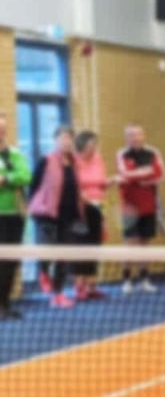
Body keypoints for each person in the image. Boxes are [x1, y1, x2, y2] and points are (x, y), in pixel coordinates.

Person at [29, 126, 85, 309]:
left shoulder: (75, 162)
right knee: (47, 251)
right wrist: (35, 206)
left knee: (63, 257)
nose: (66, 141)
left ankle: (58, 294)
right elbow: (34, 185)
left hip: (68, 216)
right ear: (55, 140)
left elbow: (76, 188)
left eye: (69, 138)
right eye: (62, 138)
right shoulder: (46, 161)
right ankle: (43, 272)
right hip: (47, 214)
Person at [117, 124, 165, 294]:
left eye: (138, 134)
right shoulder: (122, 154)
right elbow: (125, 175)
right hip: (129, 208)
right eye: (131, 135)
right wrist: (147, 171)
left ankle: (144, 279)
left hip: (149, 206)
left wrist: (139, 175)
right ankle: (127, 280)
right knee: (130, 244)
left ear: (143, 136)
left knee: (145, 244)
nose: (135, 138)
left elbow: (160, 175)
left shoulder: (153, 153)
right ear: (126, 138)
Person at [73, 130, 117, 301]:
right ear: (82, 145)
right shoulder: (74, 162)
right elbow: (72, 186)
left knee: (95, 246)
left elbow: (101, 183)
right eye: (91, 145)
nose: (93, 148)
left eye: (95, 145)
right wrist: (83, 197)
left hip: (98, 208)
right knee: (81, 248)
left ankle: (92, 286)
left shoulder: (98, 160)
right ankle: (79, 287)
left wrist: (110, 182)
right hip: (80, 211)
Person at [0, 112, 31, 320]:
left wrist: (6, 178)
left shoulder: (15, 154)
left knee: (10, 262)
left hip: (14, 217)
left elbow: (26, 176)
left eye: (3, 130)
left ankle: (4, 303)